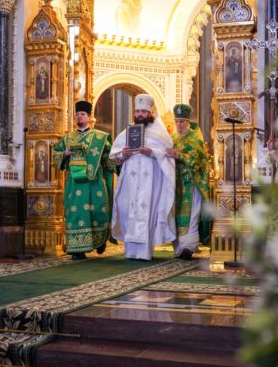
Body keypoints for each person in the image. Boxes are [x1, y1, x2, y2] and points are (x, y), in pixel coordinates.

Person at [110, 94, 176, 260]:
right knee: (127, 209)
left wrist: (152, 152)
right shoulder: (127, 132)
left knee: (148, 212)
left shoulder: (160, 133)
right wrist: (123, 153)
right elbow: (115, 156)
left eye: (143, 112)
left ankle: (145, 252)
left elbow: (168, 154)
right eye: (137, 111)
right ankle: (130, 251)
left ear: (150, 113)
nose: (140, 115)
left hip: (151, 180)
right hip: (130, 181)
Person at [54, 101, 116, 260]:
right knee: (76, 213)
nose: (79, 117)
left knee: (98, 211)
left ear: (89, 117)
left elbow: (109, 159)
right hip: (74, 184)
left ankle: (99, 241)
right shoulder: (68, 139)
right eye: (77, 114)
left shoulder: (100, 137)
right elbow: (56, 154)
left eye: (82, 114)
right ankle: (77, 250)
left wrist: (120, 163)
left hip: (95, 182)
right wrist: (65, 154)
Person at [165, 104, 211, 260]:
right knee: (176, 215)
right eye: (176, 121)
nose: (179, 124)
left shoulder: (195, 139)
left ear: (188, 122)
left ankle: (189, 246)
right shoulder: (171, 139)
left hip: (191, 185)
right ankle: (179, 247)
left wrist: (179, 155)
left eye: (182, 121)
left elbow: (198, 160)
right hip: (175, 184)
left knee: (191, 215)